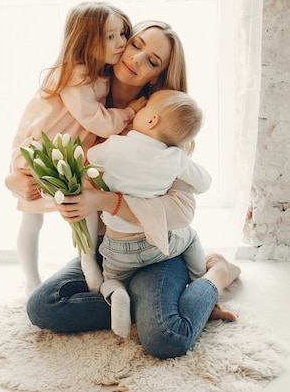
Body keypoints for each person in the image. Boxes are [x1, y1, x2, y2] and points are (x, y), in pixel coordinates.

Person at [5, 20, 241, 359]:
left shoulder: (165, 122)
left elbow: (182, 211)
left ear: (156, 77)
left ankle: (217, 273)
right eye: (136, 44)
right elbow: (34, 155)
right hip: (109, 250)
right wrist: (15, 181)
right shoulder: (81, 103)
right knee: (44, 308)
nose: (137, 58)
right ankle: (143, 300)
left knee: (165, 339)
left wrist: (103, 200)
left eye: (153, 61)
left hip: (158, 245)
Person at [9, 2, 146, 295]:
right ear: (85, 40)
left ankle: (89, 264)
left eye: (122, 33)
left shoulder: (102, 74)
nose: (121, 42)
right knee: (32, 219)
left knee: (85, 208)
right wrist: (130, 112)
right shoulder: (75, 75)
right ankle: (32, 280)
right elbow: (97, 121)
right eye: (110, 37)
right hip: (43, 154)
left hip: (71, 157)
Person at [85, 89, 212, 337]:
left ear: (151, 119)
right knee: (191, 236)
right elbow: (204, 183)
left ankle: (116, 293)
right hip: (155, 244)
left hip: (117, 245)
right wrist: (183, 156)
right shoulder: (174, 156)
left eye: (144, 109)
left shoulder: (114, 146)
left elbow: (90, 157)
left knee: (110, 279)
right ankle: (199, 280)